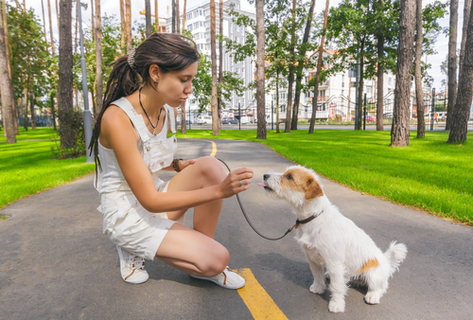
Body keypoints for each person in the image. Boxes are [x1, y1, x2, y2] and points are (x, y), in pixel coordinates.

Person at [89, 33, 253, 289]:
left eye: (192, 80)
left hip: (153, 197)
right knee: (219, 259)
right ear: (155, 73)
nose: (189, 90)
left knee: (210, 167)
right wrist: (219, 191)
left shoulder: (165, 109)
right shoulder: (117, 118)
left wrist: (177, 165)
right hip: (128, 212)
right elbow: (151, 202)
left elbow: (146, 156)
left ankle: (197, 253)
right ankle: (131, 245)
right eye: (184, 80)